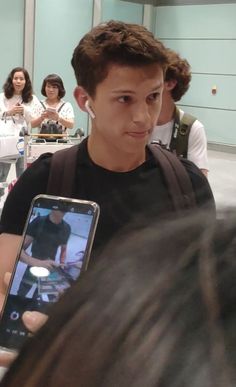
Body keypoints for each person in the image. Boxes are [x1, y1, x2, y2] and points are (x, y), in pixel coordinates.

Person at [0, 21, 215, 327]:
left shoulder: (187, 185)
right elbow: (4, 290)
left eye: (152, 97)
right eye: (124, 99)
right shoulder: (41, 184)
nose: (143, 117)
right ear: (85, 99)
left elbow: (204, 297)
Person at [0, 208, 235, 386]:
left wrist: (62, 267)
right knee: (22, 303)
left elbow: (61, 250)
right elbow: (19, 252)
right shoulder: (40, 216)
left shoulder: (67, 229)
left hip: (53, 280)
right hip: (34, 274)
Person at [149, 49, 209, 176]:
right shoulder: (134, 121)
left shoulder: (192, 128)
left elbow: (199, 185)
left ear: (170, 83)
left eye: (152, 77)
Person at [0, 67, 41, 197]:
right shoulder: (2, 97)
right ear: (11, 80)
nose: (18, 81)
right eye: (16, 78)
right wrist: (9, 112)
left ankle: (19, 204)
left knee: (22, 176)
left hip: (23, 142)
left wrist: (24, 111)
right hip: (5, 141)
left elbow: (36, 121)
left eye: (21, 79)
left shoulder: (32, 99)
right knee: (1, 176)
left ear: (26, 81)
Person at [17, 209, 71, 299]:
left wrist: (62, 262)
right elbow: (19, 249)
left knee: (40, 296)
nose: (64, 207)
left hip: (50, 267)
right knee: (21, 292)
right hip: (33, 265)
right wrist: (36, 262)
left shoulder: (66, 227)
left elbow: (64, 249)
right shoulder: (38, 221)